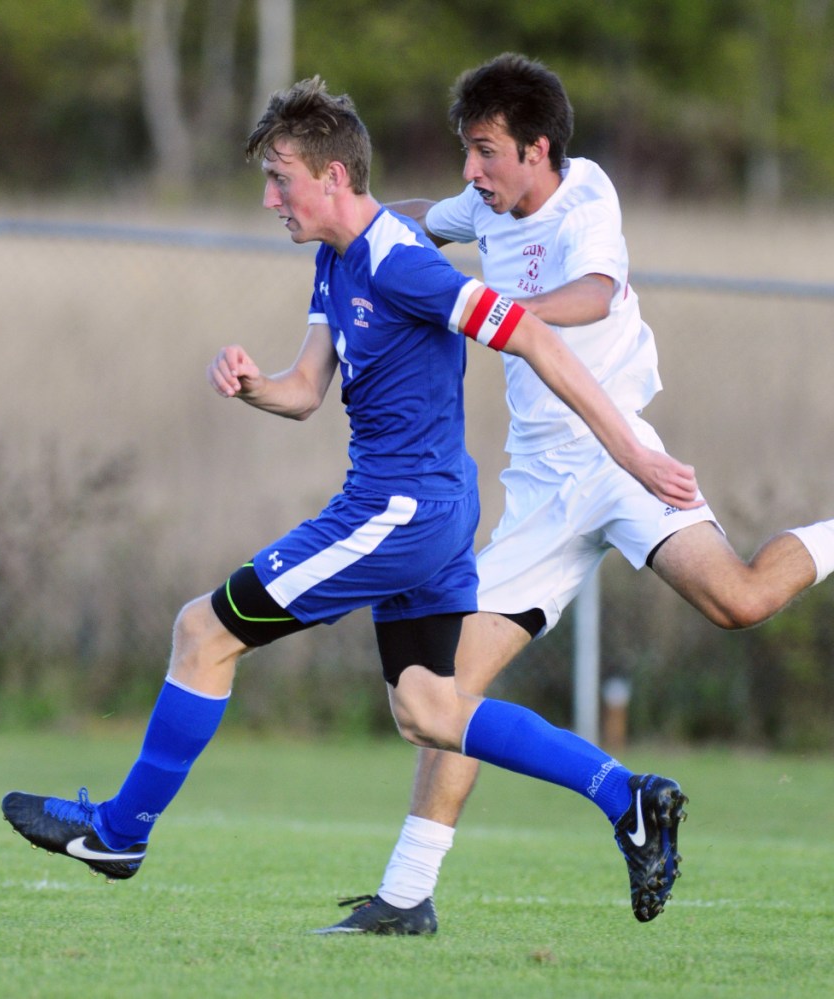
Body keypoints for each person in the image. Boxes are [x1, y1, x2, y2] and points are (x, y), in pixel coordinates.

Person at [0, 76, 701, 927]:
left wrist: (631, 453)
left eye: (281, 177)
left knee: (201, 630)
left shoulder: (403, 259)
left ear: (334, 176)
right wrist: (253, 382)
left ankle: (119, 831)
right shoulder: (337, 261)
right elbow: (304, 391)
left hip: (399, 513)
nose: (270, 198)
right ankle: (624, 793)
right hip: (427, 515)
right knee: (429, 708)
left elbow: (534, 333)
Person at [315, 52, 834, 936]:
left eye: (485, 152)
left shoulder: (587, 201)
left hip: (622, 461)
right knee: (441, 699)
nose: (471, 172)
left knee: (740, 599)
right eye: (466, 153)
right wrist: (337, 218)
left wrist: (487, 310)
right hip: (542, 491)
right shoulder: (483, 201)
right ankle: (406, 897)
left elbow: (596, 295)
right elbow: (405, 224)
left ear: (538, 149)